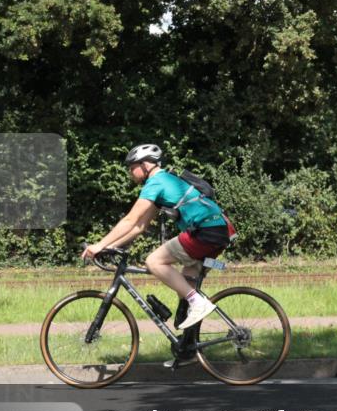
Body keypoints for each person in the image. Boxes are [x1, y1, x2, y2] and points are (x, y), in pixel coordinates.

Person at [81, 144, 236, 336]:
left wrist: (98, 245)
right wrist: (110, 247)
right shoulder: (165, 181)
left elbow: (130, 220)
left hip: (205, 232)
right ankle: (188, 349)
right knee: (185, 291)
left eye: (132, 167)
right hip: (217, 231)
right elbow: (139, 227)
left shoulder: (156, 182)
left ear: (146, 165)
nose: (130, 172)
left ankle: (198, 302)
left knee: (154, 261)